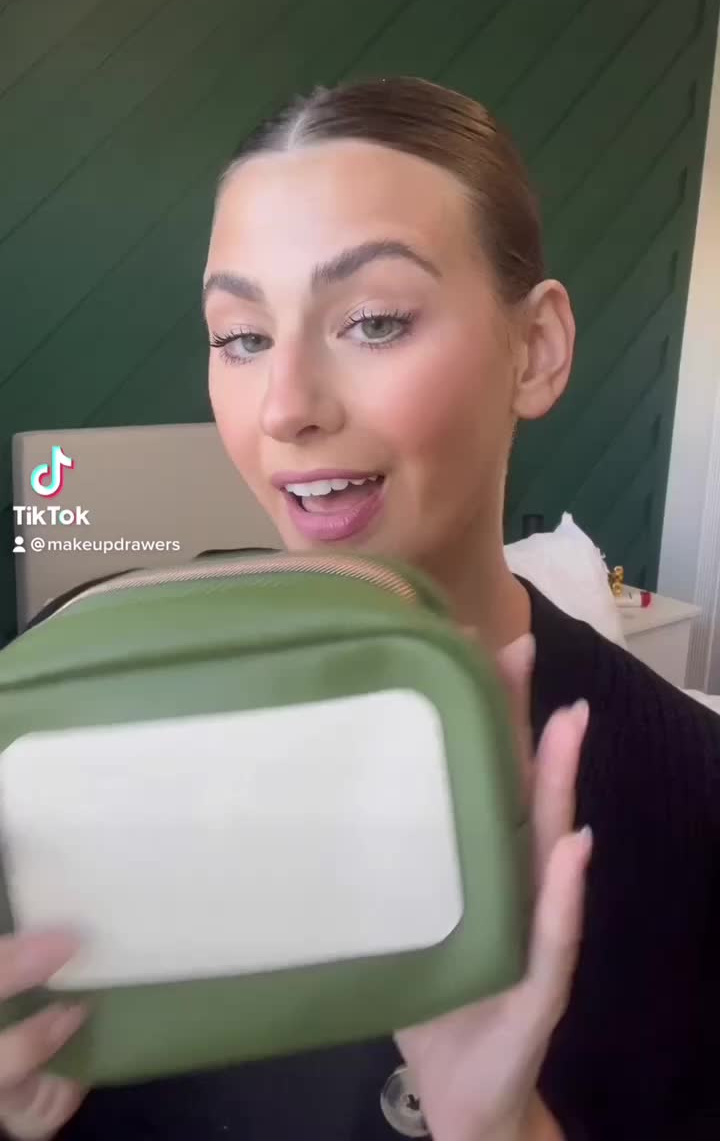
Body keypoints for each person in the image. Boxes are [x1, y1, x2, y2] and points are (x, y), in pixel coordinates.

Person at [1, 76, 719, 1141]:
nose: (286, 407)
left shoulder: (691, 799)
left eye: (374, 321)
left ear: (536, 348)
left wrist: (500, 1125)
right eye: (241, 337)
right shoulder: (71, 706)